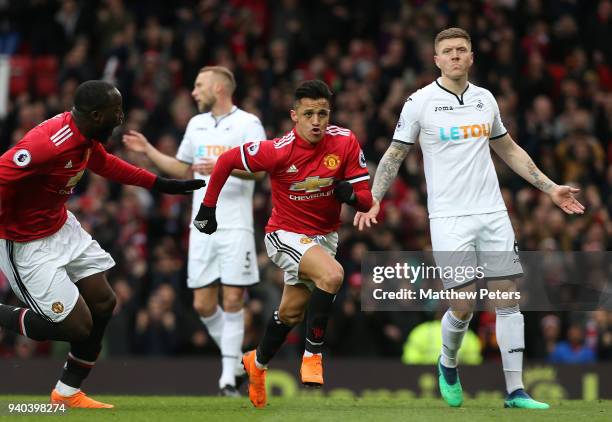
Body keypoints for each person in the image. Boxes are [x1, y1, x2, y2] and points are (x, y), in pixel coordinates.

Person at [354, 27, 585, 410]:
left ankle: (516, 391)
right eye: (448, 51)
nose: (456, 55)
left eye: (462, 49)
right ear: (437, 60)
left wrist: (549, 188)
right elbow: (394, 154)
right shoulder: (419, 102)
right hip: (448, 218)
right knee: (463, 305)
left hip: (493, 212)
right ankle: (447, 363)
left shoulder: (485, 100)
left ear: (472, 56)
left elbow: (508, 149)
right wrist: (375, 199)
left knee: (507, 296)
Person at [0, 80, 204, 408]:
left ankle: (67, 393)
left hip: (59, 225)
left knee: (104, 302)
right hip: (25, 242)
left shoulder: (85, 135)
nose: (121, 117)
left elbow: (105, 163)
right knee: (76, 326)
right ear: (96, 115)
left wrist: (158, 183)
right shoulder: (47, 145)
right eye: (116, 112)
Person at [193, 80, 373, 408]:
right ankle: (313, 355)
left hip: (323, 237)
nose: (317, 121)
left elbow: (366, 199)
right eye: (309, 114)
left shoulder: (344, 141)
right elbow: (226, 161)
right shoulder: (278, 150)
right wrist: (208, 207)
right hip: (284, 235)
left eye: (323, 113)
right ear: (295, 116)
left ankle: (256, 365)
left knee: (290, 312)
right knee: (332, 276)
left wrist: (352, 196)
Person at [122, 66, 266, 396]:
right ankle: (238, 363)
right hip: (202, 225)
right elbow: (183, 167)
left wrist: (224, 166)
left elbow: (259, 173)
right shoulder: (196, 124)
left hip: (235, 225)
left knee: (232, 298)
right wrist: (149, 152)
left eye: (199, 85)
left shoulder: (248, 124)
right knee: (203, 304)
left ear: (218, 88)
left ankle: (228, 379)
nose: (193, 92)